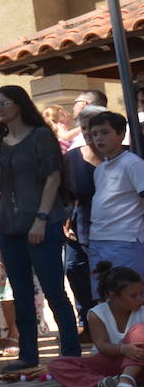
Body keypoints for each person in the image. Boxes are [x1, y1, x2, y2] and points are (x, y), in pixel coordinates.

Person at [0, 85, 81, 369]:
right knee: (21, 291)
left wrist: (41, 218)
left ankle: (71, 353)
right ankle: (28, 355)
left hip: (42, 222)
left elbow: (52, 178)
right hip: (8, 224)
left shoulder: (41, 136)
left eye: (3, 103)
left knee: (53, 289)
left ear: (19, 105)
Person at [48, 264, 144, 387]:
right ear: (113, 296)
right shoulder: (97, 314)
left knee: (139, 330)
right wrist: (124, 349)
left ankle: (127, 378)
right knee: (56, 365)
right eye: (133, 296)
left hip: (139, 362)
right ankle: (104, 383)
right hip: (109, 361)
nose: (140, 299)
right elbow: (102, 346)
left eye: (141, 294)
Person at [83, 111, 144, 272]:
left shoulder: (133, 164)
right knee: (104, 293)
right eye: (94, 134)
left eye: (105, 132)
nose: (98, 138)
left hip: (126, 240)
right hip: (97, 239)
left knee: (127, 293)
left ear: (121, 134)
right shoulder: (100, 169)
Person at [63, 105, 105, 331]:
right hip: (79, 225)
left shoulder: (123, 154)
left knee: (104, 276)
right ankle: (86, 323)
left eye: (96, 128)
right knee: (75, 270)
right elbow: (65, 194)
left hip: (111, 226)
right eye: (85, 128)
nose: (90, 134)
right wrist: (65, 219)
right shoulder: (71, 158)